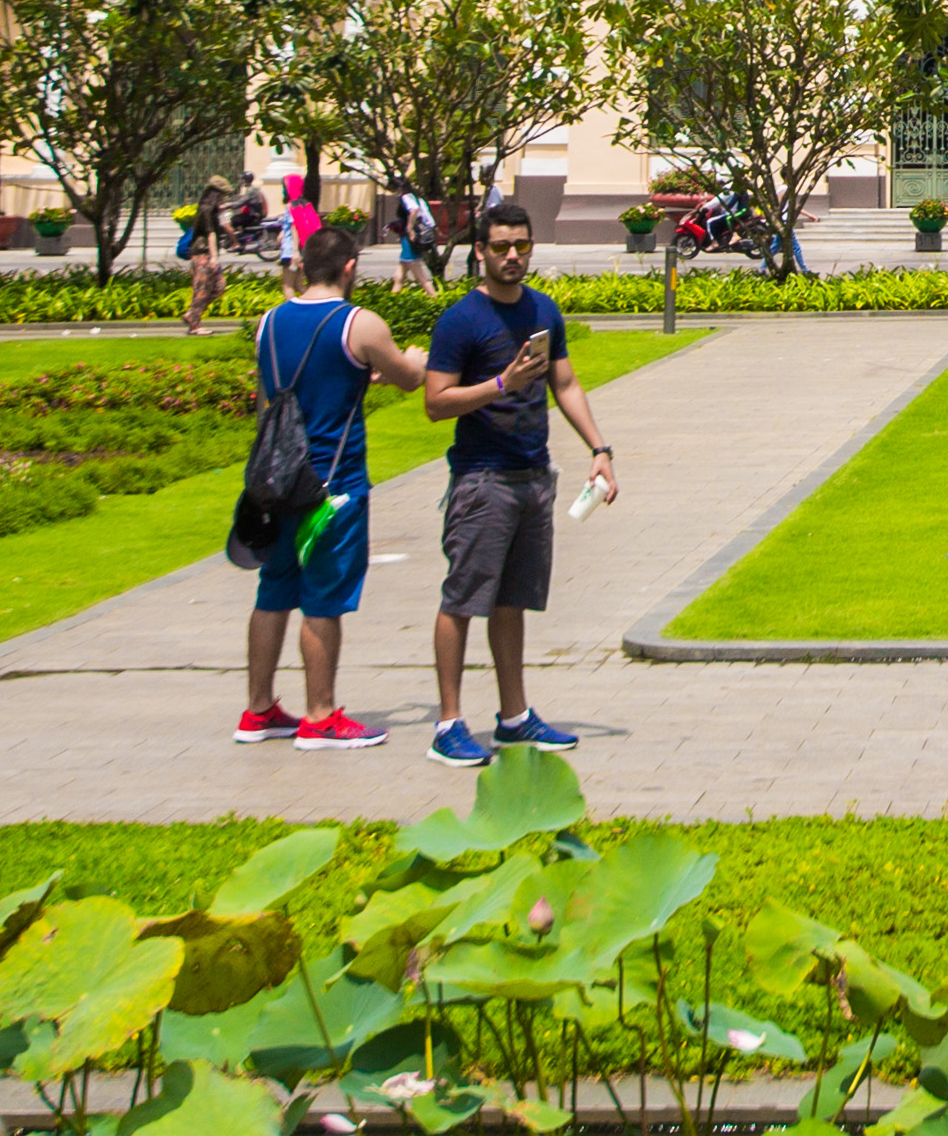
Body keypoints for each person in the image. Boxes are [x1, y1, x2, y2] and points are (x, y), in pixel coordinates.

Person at [232, 221, 469, 750]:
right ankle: (320, 716)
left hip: (276, 480)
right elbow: (410, 379)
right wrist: (416, 360)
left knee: (273, 590)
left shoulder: (269, 322)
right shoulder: (359, 323)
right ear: (349, 268)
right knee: (323, 598)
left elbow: (268, 400)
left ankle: (258, 710)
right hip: (332, 486)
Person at [417, 193, 621, 768]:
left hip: (534, 477)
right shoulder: (461, 320)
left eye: (521, 246)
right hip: (482, 480)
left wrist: (600, 449)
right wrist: (500, 385)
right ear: (480, 251)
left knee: (512, 602)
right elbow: (436, 403)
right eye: (501, 246)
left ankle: (513, 717)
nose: (512, 256)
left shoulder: (542, 311)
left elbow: (567, 385)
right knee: (462, 599)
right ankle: (449, 724)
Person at [178, 179, 230, 335]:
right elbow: (210, 233)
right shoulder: (206, 210)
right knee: (202, 289)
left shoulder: (209, 209)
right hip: (202, 254)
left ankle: (192, 314)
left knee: (218, 287)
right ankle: (194, 325)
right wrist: (214, 257)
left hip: (202, 254)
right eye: (222, 196)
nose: (223, 199)